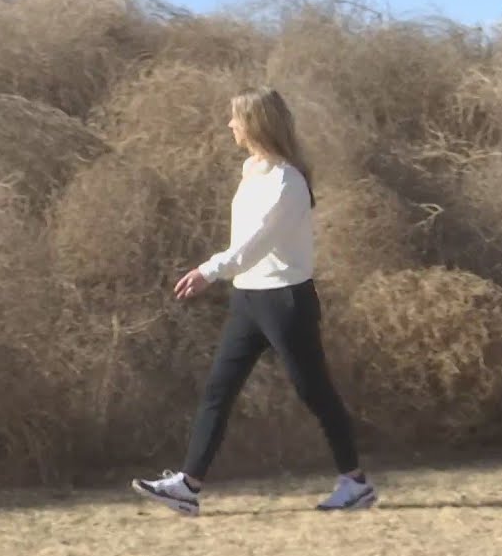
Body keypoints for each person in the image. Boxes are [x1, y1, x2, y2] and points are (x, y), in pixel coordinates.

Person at [130, 85, 377, 516]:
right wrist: (225, 274)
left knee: (314, 393)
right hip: (248, 298)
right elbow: (244, 244)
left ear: (256, 123)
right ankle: (187, 487)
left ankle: (354, 483)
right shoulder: (252, 169)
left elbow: (254, 243)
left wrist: (207, 271)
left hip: (285, 301)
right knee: (218, 391)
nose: (230, 125)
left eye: (235, 118)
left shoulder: (288, 183)